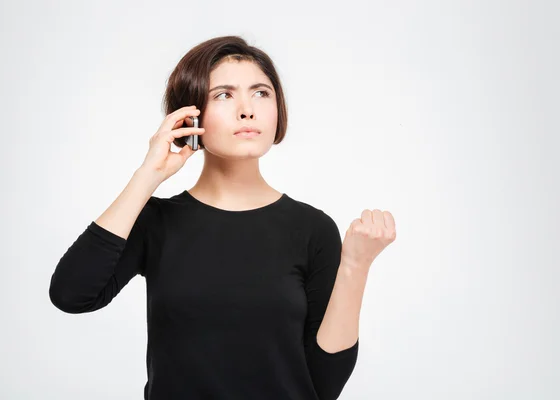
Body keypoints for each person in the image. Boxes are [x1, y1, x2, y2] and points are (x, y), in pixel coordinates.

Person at [49, 35, 396, 400]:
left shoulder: (312, 229)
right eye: (224, 95)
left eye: (261, 93)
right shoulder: (156, 222)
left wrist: (355, 266)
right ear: (189, 115)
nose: (247, 109)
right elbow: (72, 295)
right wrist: (147, 175)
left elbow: (323, 387)